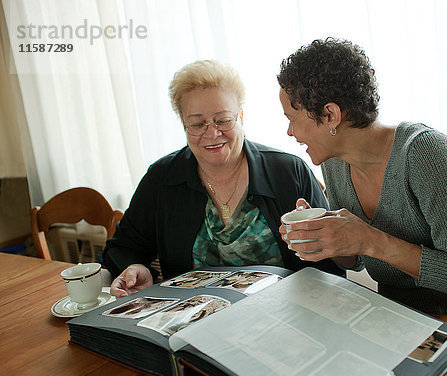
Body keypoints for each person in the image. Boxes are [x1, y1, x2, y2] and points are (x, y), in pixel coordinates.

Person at [277, 38, 447, 324]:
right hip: (403, 326)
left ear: (330, 115)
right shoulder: (335, 163)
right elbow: (356, 261)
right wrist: (327, 235)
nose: (290, 132)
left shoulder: (427, 155)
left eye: (291, 118)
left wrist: (370, 240)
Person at [104, 60, 341, 298]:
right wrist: (137, 268)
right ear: (184, 125)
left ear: (241, 117)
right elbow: (123, 248)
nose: (212, 133)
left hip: (282, 318)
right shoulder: (163, 178)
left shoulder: (288, 172)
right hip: (191, 322)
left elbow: (330, 265)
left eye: (223, 120)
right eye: (197, 124)